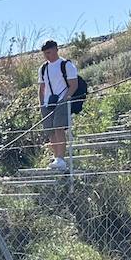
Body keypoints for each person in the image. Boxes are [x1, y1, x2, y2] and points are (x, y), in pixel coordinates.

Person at [38, 39, 78, 173]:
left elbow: (73, 84)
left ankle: (61, 158)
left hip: (62, 100)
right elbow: (42, 87)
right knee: (50, 131)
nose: (47, 56)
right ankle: (56, 158)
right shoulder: (43, 68)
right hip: (48, 103)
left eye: (49, 52)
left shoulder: (66, 65)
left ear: (56, 49)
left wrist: (65, 99)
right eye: (45, 54)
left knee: (59, 128)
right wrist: (41, 103)